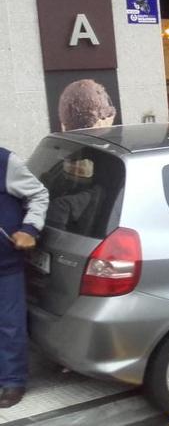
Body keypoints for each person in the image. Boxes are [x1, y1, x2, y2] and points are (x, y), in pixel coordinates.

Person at [0, 147, 49, 408]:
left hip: (5, 263)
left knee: (9, 324)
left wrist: (29, 228)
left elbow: (39, 194)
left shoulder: (5, 162)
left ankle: (13, 380)